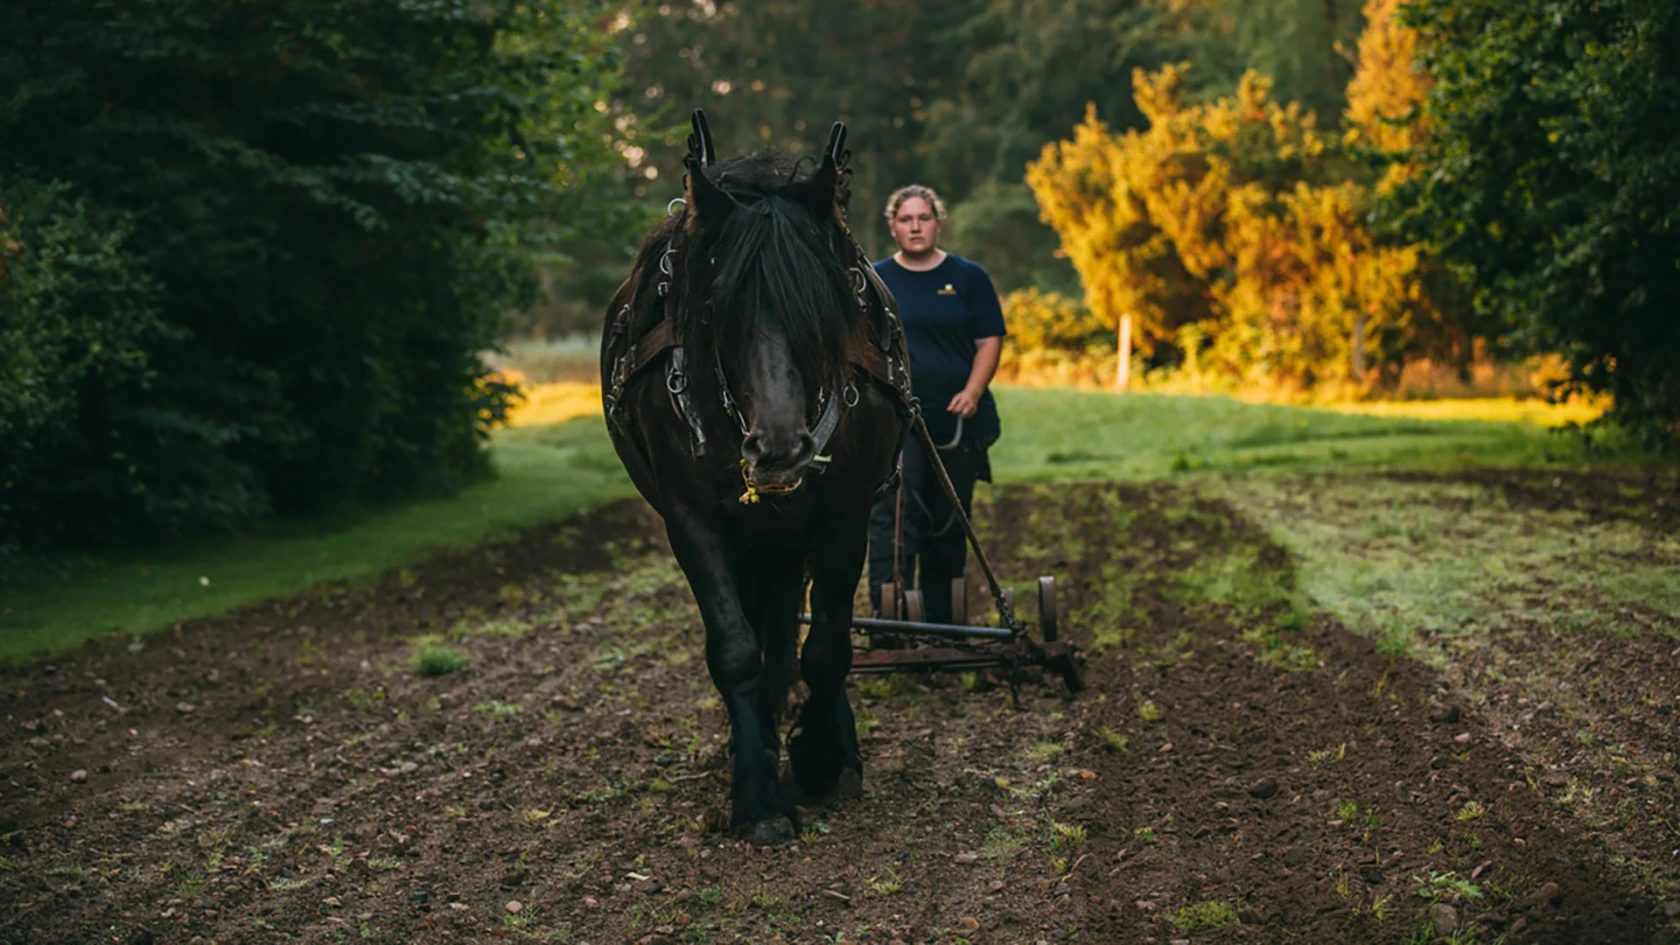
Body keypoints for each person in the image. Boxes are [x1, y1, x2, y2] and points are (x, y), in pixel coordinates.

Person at [867, 184, 1005, 625]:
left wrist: (973, 391)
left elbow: (989, 341)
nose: (915, 227)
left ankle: (944, 625)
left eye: (923, 218)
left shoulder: (969, 278)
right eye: (906, 219)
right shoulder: (875, 279)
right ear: (893, 227)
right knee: (895, 524)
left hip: (954, 420)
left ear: (938, 223)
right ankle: (891, 623)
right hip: (895, 422)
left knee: (947, 523)